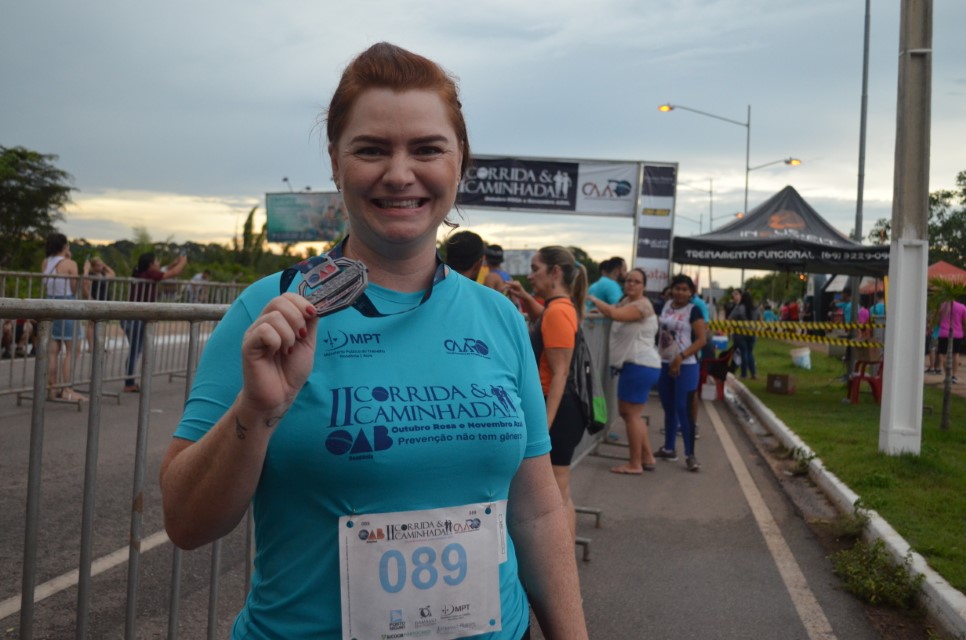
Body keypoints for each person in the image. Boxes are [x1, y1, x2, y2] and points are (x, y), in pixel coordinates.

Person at [159, 43, 586, 640]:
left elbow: (537, 511)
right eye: (372, 149)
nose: (400, 174)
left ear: (460, 162)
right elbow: (185, 522)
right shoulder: (269, 311)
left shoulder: (500, 318)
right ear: (335, 162)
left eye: (427, 149)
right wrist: (255, 412)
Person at [509, 245, 587, 542]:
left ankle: (562, 557)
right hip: (560, 407)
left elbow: (560, 373)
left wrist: (543, 425)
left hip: (557, 408)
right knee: (560, 490)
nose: (530, 276)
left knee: (557, 492)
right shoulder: (559, 307)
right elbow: (545, 321)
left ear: (555, 272)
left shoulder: (558, 311)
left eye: (535, 269)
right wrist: (525, 297)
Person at [589, 268, 660, 475]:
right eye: (628, 280)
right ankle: (647, 457)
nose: (631, 284)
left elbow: (614, 314)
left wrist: (592, 298)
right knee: (632, 414)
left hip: (639, 364)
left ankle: (635, 463)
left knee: (631, 415)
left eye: (636, 281)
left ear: (644, 286)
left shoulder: (642, 306)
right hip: (636, 365)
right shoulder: (627, 302)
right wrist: (597, 310)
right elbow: (611, 310)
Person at [654, 274, 707, 472]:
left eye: (685, 289)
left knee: (682, 407)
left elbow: (701, 340)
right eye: (677, 288)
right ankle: (669, 448)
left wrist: (681, 357)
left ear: (691, 292)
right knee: (668, 406)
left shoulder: (694, 310)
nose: (680, 293)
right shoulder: (665, 306)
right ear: (671, 289)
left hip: (687, 365)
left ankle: (690, 454)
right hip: (664, 362)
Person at [122, 252, 187, 392]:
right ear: (151, 264)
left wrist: (175, 263)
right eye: (156, 261)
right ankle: (129, 383)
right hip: (136, 318)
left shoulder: (143, 273)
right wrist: (183, 261)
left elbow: (166, 269)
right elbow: (173, 273)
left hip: (131, 317)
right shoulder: (150, 275)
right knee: (135, 350)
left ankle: (129, 380)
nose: (159, 263)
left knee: (135, 350)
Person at [40, 233, 86, 402]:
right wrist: (84, 270)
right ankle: (67, 389)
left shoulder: (45, 262)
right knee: (73, 349)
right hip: (67, 305)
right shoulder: (70, 264)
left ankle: (51, 388)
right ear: (64, 246)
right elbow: (74, 288)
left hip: (50, 304)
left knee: (53, 350)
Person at [82, 254, 116, 351]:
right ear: (93, 267)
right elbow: (85, 285)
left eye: (101, 265)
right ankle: (91, 346)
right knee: (91, 324)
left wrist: (105, 265)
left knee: (101, 324)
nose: (100, 267)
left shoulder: (103, 275)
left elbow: (113, 274)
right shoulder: (91, 275)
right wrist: (89, 298)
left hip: (104, 301)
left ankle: (100, 346)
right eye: (98, 265)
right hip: (94, 300)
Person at [727, 289, 759, 380]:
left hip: (740, 333)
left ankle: (744, 374)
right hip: (752, 333)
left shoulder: (739, 307)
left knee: (744, 353)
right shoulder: (755, 308)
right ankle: (753, 374)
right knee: (749, 353)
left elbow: (730, 318)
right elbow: (759, 319)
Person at [936, 297, 966, 383]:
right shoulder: (962, 307)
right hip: (957, 333)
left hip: (944, 333)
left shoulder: (942, 306)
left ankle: (947, 375)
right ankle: (954, 375)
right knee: (955, 353)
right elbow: (964, 322)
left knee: (944, 354)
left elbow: (938, 321)